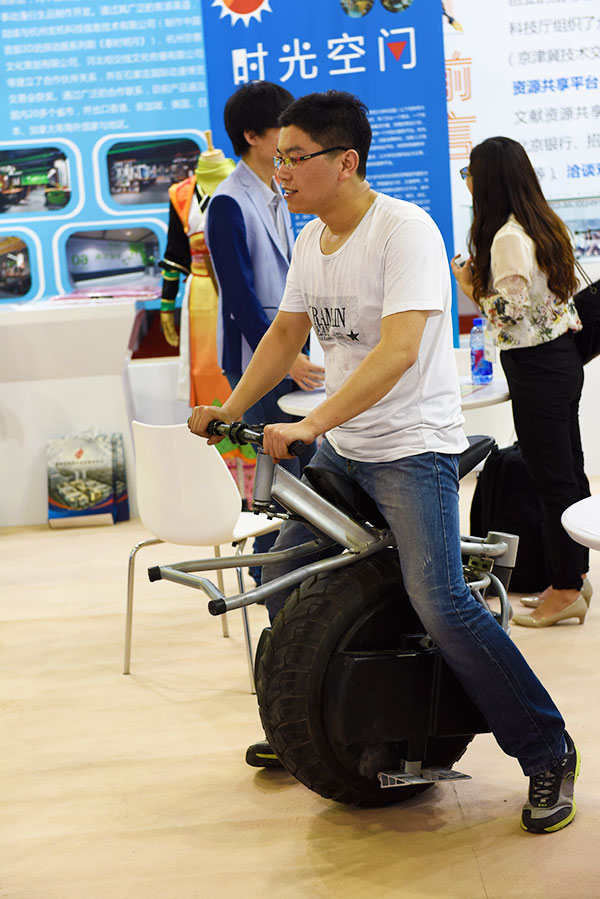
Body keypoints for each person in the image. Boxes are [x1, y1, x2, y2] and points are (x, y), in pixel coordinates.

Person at [188, 91, 579, 834]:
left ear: (346, 161)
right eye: (278, 159)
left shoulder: (405, 232)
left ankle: (547, 750)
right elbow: (284, 334)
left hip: (412, 448)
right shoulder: (312, 240)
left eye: (295, 158)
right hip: (348, 448)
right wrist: (231, 409)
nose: (282, 173)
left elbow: (399, 352)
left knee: (441, 602)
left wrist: (313, 425)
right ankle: (302, 719)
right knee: (275, 575)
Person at [451, 136, 591, 629]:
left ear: (488, 179)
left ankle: (567, 588)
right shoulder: (539, 222)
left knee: (553, 479)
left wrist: (469, 285)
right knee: (567, 473)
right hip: (559, 360)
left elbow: (508, 313)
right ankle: (572, 577)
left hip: (537, 366)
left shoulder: (507, 237)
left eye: (470, 173)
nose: (467, 182)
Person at [205, 80, 324, 582]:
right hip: (256, 353)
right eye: (282, 127)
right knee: (279, 468)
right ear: (253, 135)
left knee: (298, 464)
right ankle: (270, 577)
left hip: (287, 346)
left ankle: (287, 571)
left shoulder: (277, 191)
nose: (291, 138)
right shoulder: (227, 202)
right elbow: (238, 298)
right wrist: (286, 357)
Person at [159, 130, 235, 408]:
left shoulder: (246, 184)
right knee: (207, 363)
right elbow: (175, 253)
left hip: (244, 284)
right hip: (202, 292)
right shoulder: (181, 194)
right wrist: (167, 305)